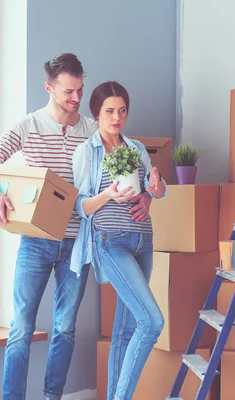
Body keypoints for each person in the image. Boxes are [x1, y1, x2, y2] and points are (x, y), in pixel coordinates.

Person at [0, 54, 154, 400]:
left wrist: (146, 194)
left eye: (80, 90)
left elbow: (130, 165)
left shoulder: (91, 128)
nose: (76, 99)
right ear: (49, 88)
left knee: (64, 328)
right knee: (21, 328)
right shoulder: (29, 126)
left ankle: (51, 396)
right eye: (69, 92)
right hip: (36, 240)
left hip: (78, 241)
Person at [70, 81, 167, 400]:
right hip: (110, 241)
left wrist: (154, 191)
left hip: (143, 240)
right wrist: (108, 193)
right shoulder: (87, 151)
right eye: (109, 111)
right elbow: (81, 206)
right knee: (151, 321)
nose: (116, 117)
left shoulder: (136, 148)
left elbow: (156, 190)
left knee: (126, 331)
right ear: (96, 113)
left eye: (122, 110)